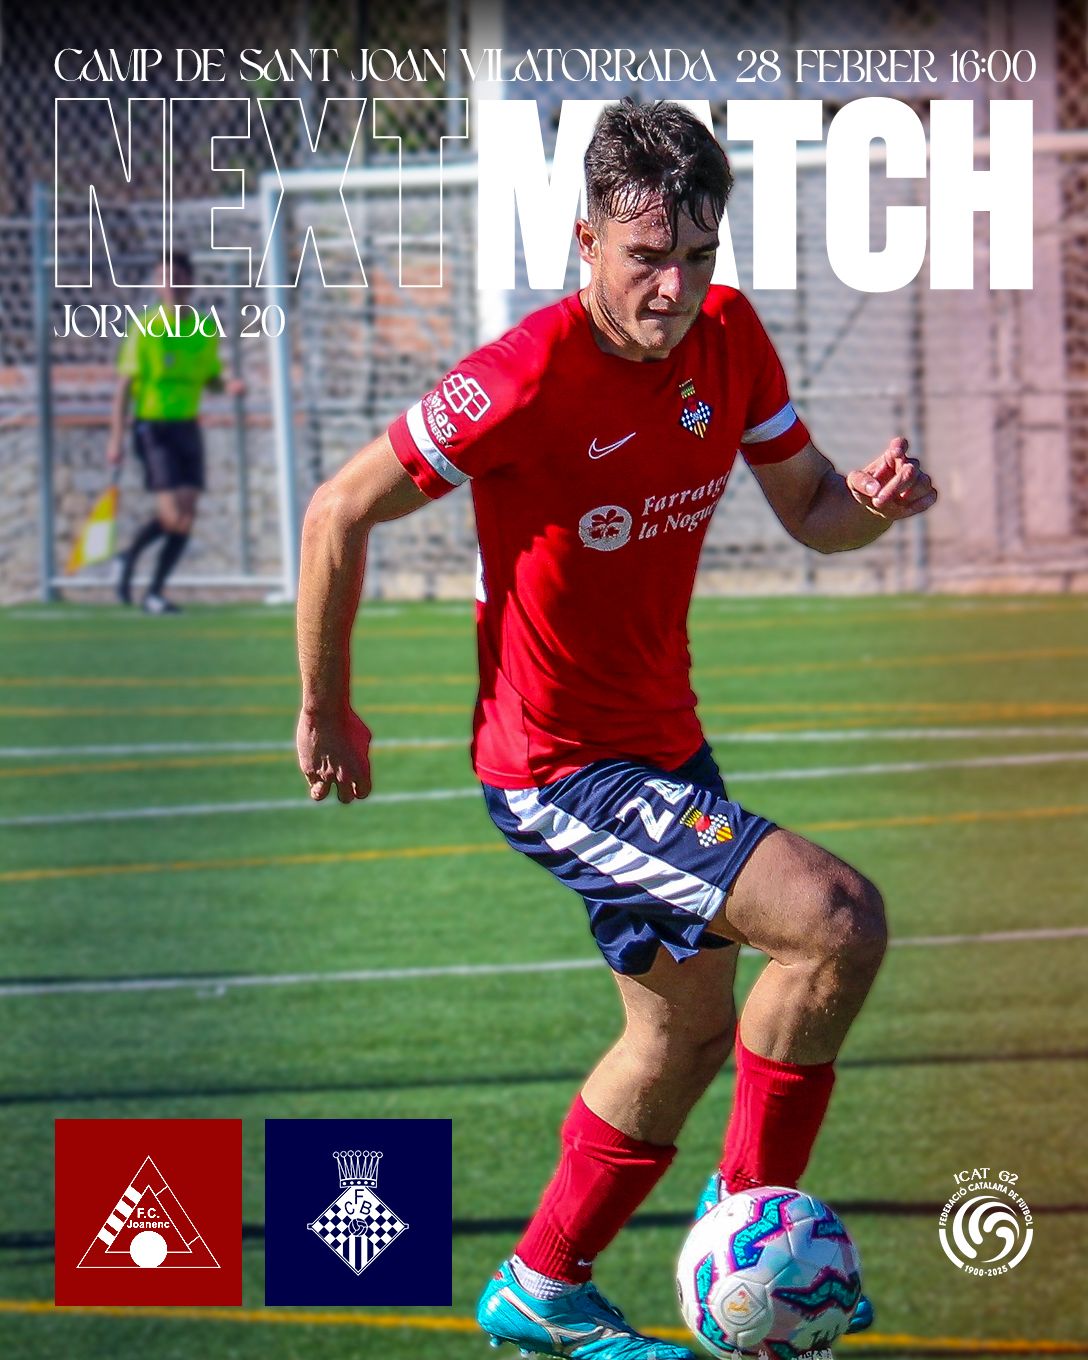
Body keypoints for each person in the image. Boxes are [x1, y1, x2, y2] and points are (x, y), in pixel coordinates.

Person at [295, 99, 937, 1360]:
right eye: (646, 257)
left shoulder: (729, 338)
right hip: (556, 768)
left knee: (681, 1032)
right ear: (584, 238)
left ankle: (542, 1284)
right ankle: (750, 1227)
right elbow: (336, 510)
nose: (673, 288)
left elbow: (809, 505)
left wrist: (870, 504)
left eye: (696, 255)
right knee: (835, 921)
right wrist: (327, 704)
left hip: (661, 747)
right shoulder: (522, 375)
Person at [108, 252, 244, 614]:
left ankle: (152, 590)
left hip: (187, 427)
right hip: (153, 428)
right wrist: (115, 439)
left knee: (186, 517)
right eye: (164, 277)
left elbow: (210, 378)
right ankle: (130, 560)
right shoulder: (145, 328)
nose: (171, 284)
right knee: (171, 516)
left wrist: (228, 385)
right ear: (156, 283)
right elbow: (124, 386)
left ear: (190, 281)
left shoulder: (203, 328)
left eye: (177, 276)